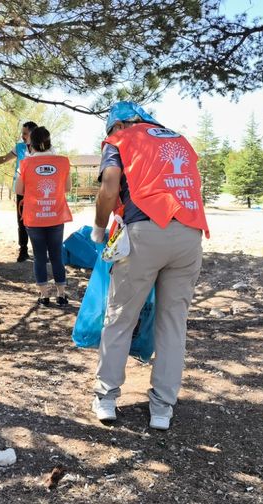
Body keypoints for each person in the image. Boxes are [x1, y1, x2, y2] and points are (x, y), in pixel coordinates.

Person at [89, 102, 209, 430]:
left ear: (119, 125)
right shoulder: (179, 140)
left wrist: (100, 226)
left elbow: (110, 184)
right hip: (189, 234)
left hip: (144, 233)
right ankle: (162, 409)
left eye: (110, 130)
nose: (110, 136)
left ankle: (107, 398)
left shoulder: (121, 140)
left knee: (120, 318)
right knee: (173, 324)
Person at [15, 127, 72, 306]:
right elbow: (68, 188)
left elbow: (18, 190)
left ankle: (44, 295)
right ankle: (61, 294)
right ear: (49, 141)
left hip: (34, 216)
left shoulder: (25, 164)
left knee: (39, 256)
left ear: (31, 144)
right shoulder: (63, 162)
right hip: (56, 214)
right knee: (56, 255)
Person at [0, 121, 38, 262]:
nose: (22, 136)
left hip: (37, 191)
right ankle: (23, 250)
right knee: (22, 220)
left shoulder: (42, 149)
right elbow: (4, 158)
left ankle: (39, 250)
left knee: (37, 221)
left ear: (33, 134)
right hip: (21, 189)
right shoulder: (19, 147)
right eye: (22, 133)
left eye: (25, 133)